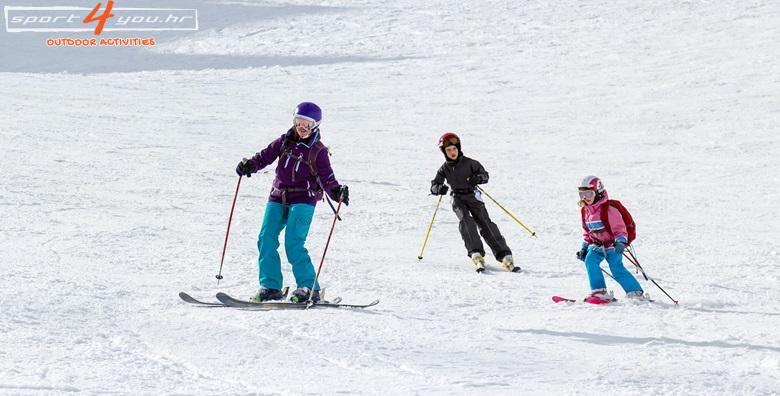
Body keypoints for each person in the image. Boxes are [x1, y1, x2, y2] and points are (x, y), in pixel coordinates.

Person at [235, 102, 349, 303]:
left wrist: (337, 191)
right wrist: (250, 165)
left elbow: (327, 178)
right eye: (298, 123)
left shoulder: (318, 151)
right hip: (278, 196)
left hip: (304, 199)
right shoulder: (285, 141)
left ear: (315, 126)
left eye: (306, 124)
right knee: (266, 238)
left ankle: (308, 287)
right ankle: (270, 287)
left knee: (293, 243)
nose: (301, 128)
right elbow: (265, 156)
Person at [429, 132, 518, 273]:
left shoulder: (470, 163)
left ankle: (504, 255)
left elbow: (485, 175)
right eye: (448, 150)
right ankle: (476, 253)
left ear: (458, 148)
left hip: (473, 196)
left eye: (454, 149)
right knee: (466, 221)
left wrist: (478, 179)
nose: (452, 152)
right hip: (458, 198)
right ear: (444, 152)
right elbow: (434, 185)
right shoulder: (444, 168)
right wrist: (439, 188)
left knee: (485, 222)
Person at [576, 176, 645, 302]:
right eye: (581, 194)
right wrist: (584, 248)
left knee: (616, 267)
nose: (585, 197)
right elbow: (587, 232)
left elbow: (620, 229)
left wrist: (621, 242)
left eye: (588, 193)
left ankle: (635, 292)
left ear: (598, 192)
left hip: (612, 246)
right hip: (596, 246)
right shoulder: (585, 211)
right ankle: (599, 292)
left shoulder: (608, 210)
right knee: (590, 261)